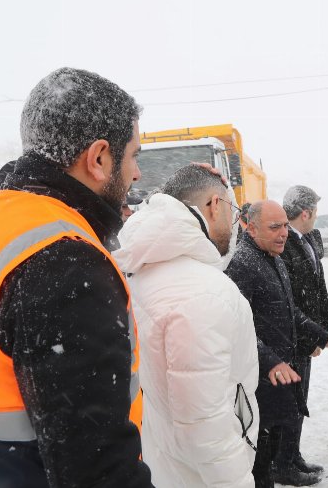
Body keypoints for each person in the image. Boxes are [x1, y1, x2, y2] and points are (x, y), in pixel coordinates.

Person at [0, 68, 152, 487]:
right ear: (100, 157)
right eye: (134, 155)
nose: (137, 173)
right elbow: (99, 471)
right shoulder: (66, 265)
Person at [114, 165, 260, 487]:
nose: (234, 227)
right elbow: (205, 425)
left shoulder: (144, 270)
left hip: (163, 462)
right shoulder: (204, 292)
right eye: (233, 213)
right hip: (198, 478)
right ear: (214, 205)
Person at [226, 200, 328, 488]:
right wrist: (272, 362)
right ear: (252, 228)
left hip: (281, 372)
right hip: (258, 380)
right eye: (275, 227)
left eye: (284, 225)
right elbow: (236, 329)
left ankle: (281, 466)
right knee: (259, 460)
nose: (284, 233)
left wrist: (323, 335)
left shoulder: (273, 257)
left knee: (276, 443)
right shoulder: (243, 264)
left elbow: (289, 310)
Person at [277, 185, 328, 476]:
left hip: (307, 335)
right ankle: (283, 464)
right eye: (315, 212)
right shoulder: (284, 243)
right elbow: (291, 301)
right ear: (306, 212)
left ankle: (292, 455)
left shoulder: (307, 238)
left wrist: (324, 330)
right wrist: (311, 337)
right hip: (293, 339)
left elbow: (316, 289)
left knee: (299, 402)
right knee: (290, 404)